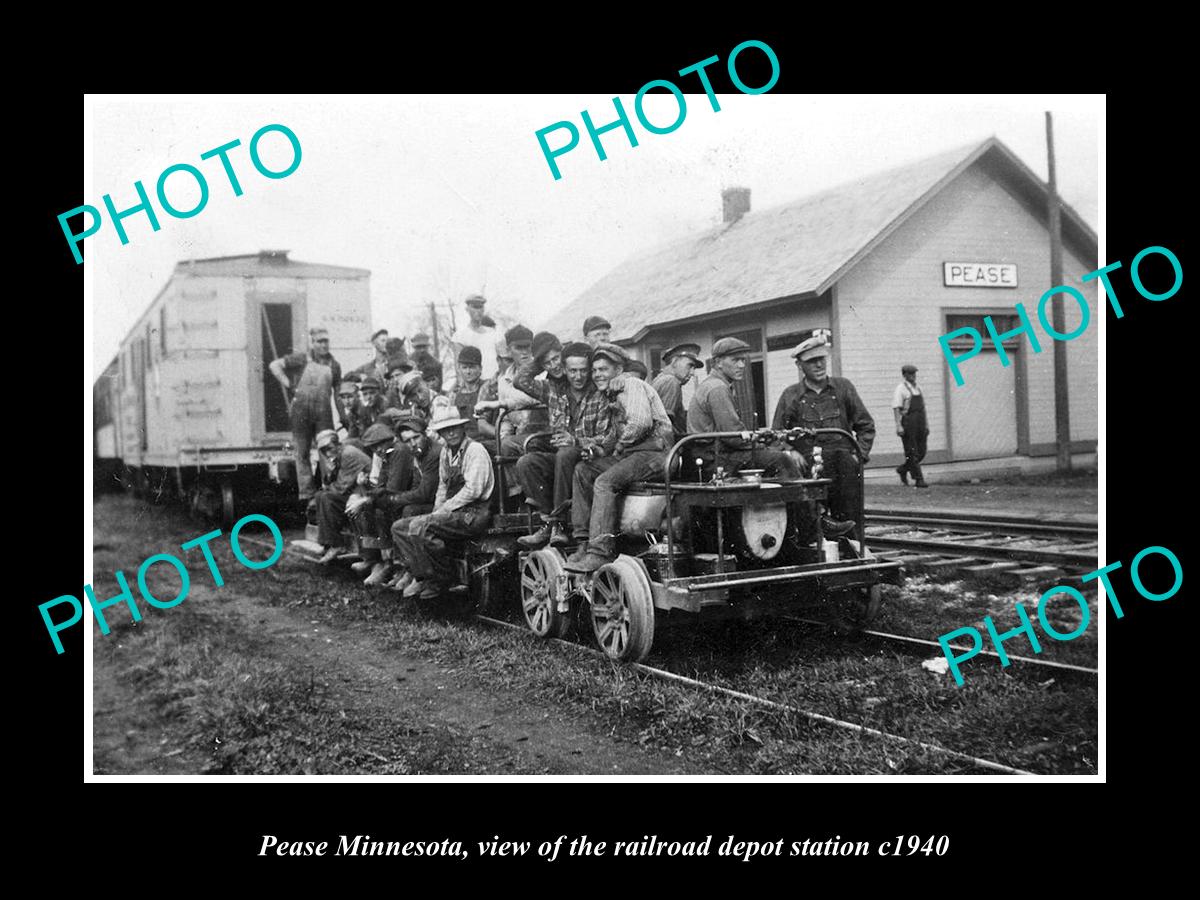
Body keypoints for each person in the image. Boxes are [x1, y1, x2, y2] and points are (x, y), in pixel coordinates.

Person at [565, 343, 674, 573]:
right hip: (635, 455)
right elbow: (615, 435)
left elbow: (639, 423)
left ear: (618, 370)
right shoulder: (613, 394)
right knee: (583, 471)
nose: (596, 375)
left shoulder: (631, 385)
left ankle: (600, 552)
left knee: (605, 482)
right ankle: (584, 542)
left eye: (603, 369)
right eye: (594, 370)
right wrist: (599, 450)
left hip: (656, 454)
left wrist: (620, 445)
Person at [772, 334, 876, 532]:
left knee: (851, 521)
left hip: (844, 467)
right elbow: (777, 433)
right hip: (810, 469)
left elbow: (866, 426)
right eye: (811, 361)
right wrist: (790, 451)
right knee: (809, 524)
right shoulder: (791, 395)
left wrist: (858, 455)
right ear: (800, 365)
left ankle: (854, 552)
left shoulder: (844, 388)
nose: (819, 365)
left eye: (821, 359)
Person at [391, 407, 495, 600]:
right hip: (454, 512)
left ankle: (443, 579)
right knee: (399, 528)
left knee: (421, 526)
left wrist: (443, 510)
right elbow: (442, 487)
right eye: (446, 430)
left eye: (455, 428)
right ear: (440, 433)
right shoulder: (446, 453)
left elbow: (474, 490)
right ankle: (421, 575)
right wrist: (436, 511)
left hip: (473, 514)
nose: (452, 433)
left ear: (463, 428)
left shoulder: (475, 450)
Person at [687, 337, 803, 480]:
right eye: (735, 360)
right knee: (782, 460)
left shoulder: (714, 385)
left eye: (743, 360)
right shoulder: (718, 388)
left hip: (714, 454)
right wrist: (761, 443)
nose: (742, 365)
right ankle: (800, 500)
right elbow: (734, 437)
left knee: (772, 456)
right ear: (718, 363)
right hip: (716, 458)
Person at [511, 332, 580, 548]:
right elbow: (520, 380)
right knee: (527, 462)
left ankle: (558, 524)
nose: (554, 365)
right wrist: (539, 361)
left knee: (563, 454)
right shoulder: (548, 388)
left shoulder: (580, 380)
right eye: (546, 362)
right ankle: (549, 522)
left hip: (583, 449)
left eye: (556, 358)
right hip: (561, 451)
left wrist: (574, 440)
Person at [268, 327, 342, 502]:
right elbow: (274, 365)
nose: (324, 345)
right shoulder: (302, 358)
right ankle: (307, 496)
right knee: (302, 453)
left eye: (326, 341)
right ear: (312, 342)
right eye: (319, 341)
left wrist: (343, 415)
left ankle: (330, 490)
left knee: (328, 450)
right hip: (301, 413)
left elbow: (338, 394)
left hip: (323, 413)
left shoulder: (334, 365)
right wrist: (288, 384)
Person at [378, 414, 444, 591]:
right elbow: (416, 486)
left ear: (425, 434)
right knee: (398, 510)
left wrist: (395, 498)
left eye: (416, 437)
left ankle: (417, 573)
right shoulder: (417, 454)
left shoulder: (434, 454)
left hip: (443, 504)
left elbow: (424, 493)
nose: (413, 444)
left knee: (409, 511)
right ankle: (407, 569)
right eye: (407, 441)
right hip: (432, 502)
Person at [473, 325, 546, 459]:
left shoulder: (541, 373)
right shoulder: (504, 380)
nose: (524, 352)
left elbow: (536, 399)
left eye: (527, 347)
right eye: (518, 348)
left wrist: (500, 403)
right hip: (516, 436)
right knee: (478, 448)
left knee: (508, 445)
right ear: (509, 350)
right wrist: (503, 436)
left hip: (541, 433)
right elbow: (505, 417)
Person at [348, 423, 398, 583]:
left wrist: (367, 499)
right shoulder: (383, 456)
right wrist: (364, 487)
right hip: (389, 496)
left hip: (400, 497)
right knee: (360, 508)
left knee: (376, 511)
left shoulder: (398, 453)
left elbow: (393, 488)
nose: (377, 450)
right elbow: (380, 484)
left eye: (379, 445)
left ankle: (389, 563)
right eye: (373, 447)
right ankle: (374, 561)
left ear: (388, 441)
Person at [313, 430, 372, 564]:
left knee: (327, 497)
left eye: (329, 448)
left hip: (366, 492)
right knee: (320, 495)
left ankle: (336, 544)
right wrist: (331, 470)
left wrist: (329, 484)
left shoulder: (348, 454)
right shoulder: (340, 454)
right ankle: (328, 544)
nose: (327, 453)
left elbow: (341, 487)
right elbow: (332, 483)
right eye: (323, 450)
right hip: (356, 491)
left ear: (337, 444)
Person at [652, 343, 703, 442]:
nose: (692, 373)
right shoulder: (671, 381)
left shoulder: (660, 379)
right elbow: (664, 425)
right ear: (674, 362)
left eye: (694, 368)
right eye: (690, 366)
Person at [892, 364, 929, 488]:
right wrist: (898, 426)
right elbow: (896, 408)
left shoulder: (918, 388)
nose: (913, 376)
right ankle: (919, 479)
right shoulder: (901, 389)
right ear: (904, 375)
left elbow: (923, 408)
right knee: (912, 451)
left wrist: (926, 425)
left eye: (914, 373)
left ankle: (903, 469)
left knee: (922, 451)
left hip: (920, 422)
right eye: (910, 374)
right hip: (908, 422)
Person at [448, 295, 499, 383]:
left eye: (480, 307)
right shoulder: (460, 336)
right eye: (475, 307)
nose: (478, 311)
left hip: (494, 382)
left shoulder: (493, 334)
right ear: (467, 309)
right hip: (474, 384)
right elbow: (459, 366)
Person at [445, 345, 490, 440]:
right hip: (462, 441)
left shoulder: (487, 388)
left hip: (485, 439)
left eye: (472, 367)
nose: (468, 372)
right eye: (464, 368)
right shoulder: (454, 394)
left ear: (480, 368)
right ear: (459, 369)